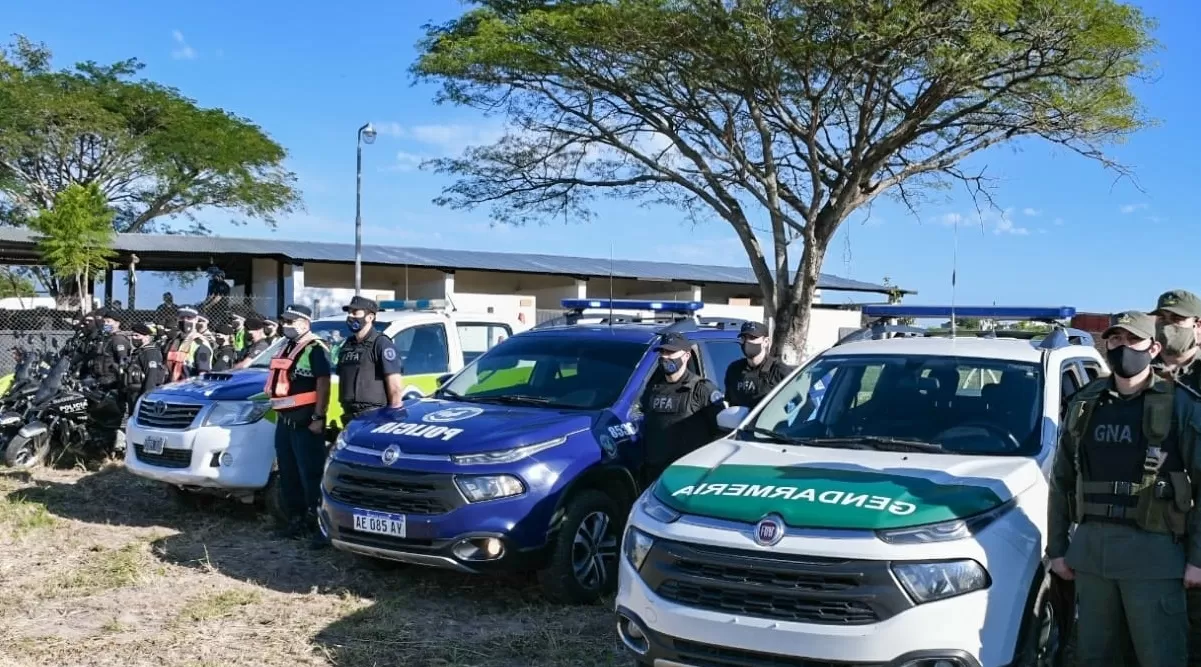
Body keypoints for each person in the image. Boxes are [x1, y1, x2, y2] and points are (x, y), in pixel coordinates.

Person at [1047, 311, 1201, 667]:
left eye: (1133, 340)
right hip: (1093, 558)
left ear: (1154, 347)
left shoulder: (1181, 405)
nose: (1123, 348)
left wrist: (1197, 558)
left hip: (1155, 560)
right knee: (1094, 656)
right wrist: (1057, 548)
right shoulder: (1086, 404)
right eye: (1116, 340)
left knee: (1160, 656)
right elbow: (1063, 480)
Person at [263, 305, 332, 546]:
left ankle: (320, 526)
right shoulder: (286, 346)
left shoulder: (315, 348)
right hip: (285, 421)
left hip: (306, 422)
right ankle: (296, 520)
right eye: (284, 320)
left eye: (291, 320)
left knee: (311, 474)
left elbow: (323, 384)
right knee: (289, 473)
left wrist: (318, 417)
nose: (286, 324)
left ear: (305, 322)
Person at [638, 333, 725, 487]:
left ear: (686, 356)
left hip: (688, 474)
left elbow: (721, 432)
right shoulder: (653, 389)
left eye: (671, 352)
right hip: (655, 473)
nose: (665, 357)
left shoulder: (702, 389)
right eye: (662, 352)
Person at [335, 296, 404, 424]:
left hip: (375, 415)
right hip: (349, 415)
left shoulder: (381, 343)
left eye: (355, 313)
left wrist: (393, 416)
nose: (350, 316)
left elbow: (395, 387)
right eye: (349, 313)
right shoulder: (348, 345)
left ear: (370, 317)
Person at [723, 321, 793, 408]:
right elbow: (730, 406)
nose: (747, 342)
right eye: (744, 338)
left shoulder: (779, 371)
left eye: (752, 337)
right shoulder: (734, 370)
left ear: (766, 342)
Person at [91, 309, 130, 452]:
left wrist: (119, 381)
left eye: (109, 322)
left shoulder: (119, 340)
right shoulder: (105, 339)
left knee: (113, 417)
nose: (105, 324)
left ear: (117, 323)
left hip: (112, 384)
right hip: (100, 383)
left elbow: (123, 363)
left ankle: (117, 447)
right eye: (104, 321)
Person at [124, 323, 164, 413]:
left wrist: (147, 398)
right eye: (132, 335)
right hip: (134, 393)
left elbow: (151, 376)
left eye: (137, 335)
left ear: (147, 337)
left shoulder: (150, 353)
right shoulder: (138, 352)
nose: (133, 338)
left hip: (142, 394)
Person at [164, 307, 212, 381]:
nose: (185, 320)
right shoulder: (173, 342)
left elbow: (203, 374)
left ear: (196, 320)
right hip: (172, 386)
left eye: (189, 318)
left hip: (189, 388)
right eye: (182, 317)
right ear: (177, 319)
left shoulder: (199, 343)